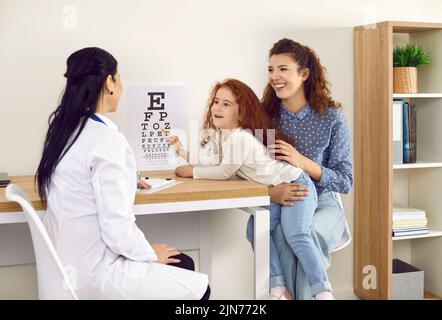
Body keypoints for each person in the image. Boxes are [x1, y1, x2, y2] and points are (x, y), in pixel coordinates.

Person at [35, 47, 210, 299]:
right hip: (97, 275)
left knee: (182, 264)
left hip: (64, 268)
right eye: (120, 77)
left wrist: (127, 179)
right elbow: (117, 229)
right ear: (110, 83)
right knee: (193, 279)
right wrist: (151, 253)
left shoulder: (63, 134)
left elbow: (81, 182)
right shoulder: (107, 140)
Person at [169, 78, 334, 300]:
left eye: (226, 104)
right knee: (255, 228)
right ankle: (277, 285)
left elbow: (223, 172)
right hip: (277, 191)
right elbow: (212, 159)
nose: (217, 107)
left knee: (296, 234)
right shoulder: (227, 137)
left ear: (241, 113)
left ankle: (322, 290)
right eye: (216, 101)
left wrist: (193, 172)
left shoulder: (241, 138)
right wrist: (184, 154)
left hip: (297, 185)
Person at [247, 38, 353, 300]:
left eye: (283, 69)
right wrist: (272, 193)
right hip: (282, 199)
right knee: (274, 232)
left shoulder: (331, 117)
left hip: (324, 202)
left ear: (304, 74)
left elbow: (345, 181)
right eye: (271, 69)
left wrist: (301, 161)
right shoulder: (263, 116)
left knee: (307, 234)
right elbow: (248, 167)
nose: (274, 76)